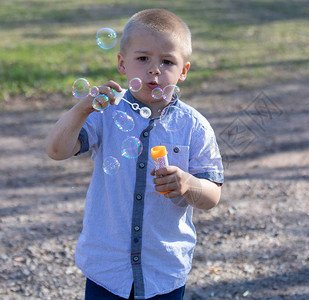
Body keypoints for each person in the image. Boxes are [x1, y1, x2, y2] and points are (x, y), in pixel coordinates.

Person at [45, 8, 223, 300]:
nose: (154, 70)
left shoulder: (194, 126)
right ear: (122, 64)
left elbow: (212, 196)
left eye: (167, 61)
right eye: (143, 59)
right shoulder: (105, 112)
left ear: (184, 71)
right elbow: (56, 150)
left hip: (163, 271)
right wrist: (83, 108)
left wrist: (189, 184)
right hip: (107, 270)